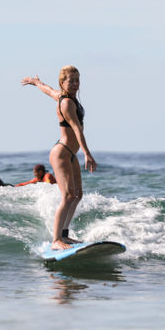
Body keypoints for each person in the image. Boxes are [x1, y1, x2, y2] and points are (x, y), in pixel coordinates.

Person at [22, 65, 97, 250]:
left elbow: (48, 91)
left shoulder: (65, 97)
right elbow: (77, 129)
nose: (74, 84)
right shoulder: (67, 103)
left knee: (77, 195)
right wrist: (87, 153)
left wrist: (36, 82)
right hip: (62, 153)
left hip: (70, 154)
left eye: (77, 80)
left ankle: (65, 235)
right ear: (63, 82)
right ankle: (56, 240)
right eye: (70, 80)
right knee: (67, 196)